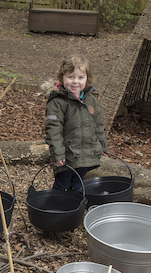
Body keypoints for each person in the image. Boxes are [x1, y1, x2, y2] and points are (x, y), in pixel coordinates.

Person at [43, 54, 108, 192]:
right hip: (68, 154)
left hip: (87, 152)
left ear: (87, 79)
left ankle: (73, 210)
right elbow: (53, 129)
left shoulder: (90, 100)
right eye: (70, 77)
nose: (75, 82)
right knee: (62, 183)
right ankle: (58, 209)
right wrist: (58, 153)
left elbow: (97, 124)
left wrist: (101, 145)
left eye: (80, 77)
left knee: (78, 183)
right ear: (62, 78)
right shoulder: (57, 102)